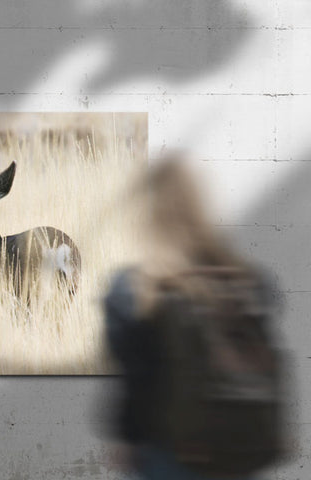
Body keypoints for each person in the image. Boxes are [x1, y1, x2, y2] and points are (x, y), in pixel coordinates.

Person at [103, 156, 283, 480]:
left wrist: (128, 439)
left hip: (168, 453)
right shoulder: (250, 282)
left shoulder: (135, 290)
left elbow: (136, 382)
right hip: (238, 449)